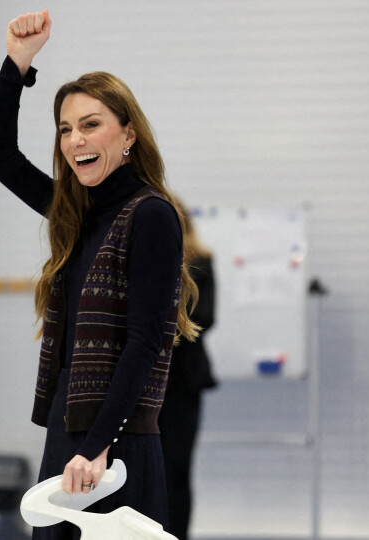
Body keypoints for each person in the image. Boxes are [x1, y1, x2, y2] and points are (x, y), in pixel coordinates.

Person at [0, 10, 200, 539]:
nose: (75, 139)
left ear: (128, 135)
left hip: (114, 439)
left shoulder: (150, 214)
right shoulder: (75, 213)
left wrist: (99, 444)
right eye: (65, 129)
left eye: (91, 124)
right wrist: (17, 64)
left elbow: (145, 342)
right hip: (70, 426)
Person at [158, 198, 218, 540]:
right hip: (146, 379)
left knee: (177, 468)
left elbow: (205, 318)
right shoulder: (142, 259)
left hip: (183, 379)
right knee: (142, 467)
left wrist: (162, 319)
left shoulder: (202, 263)